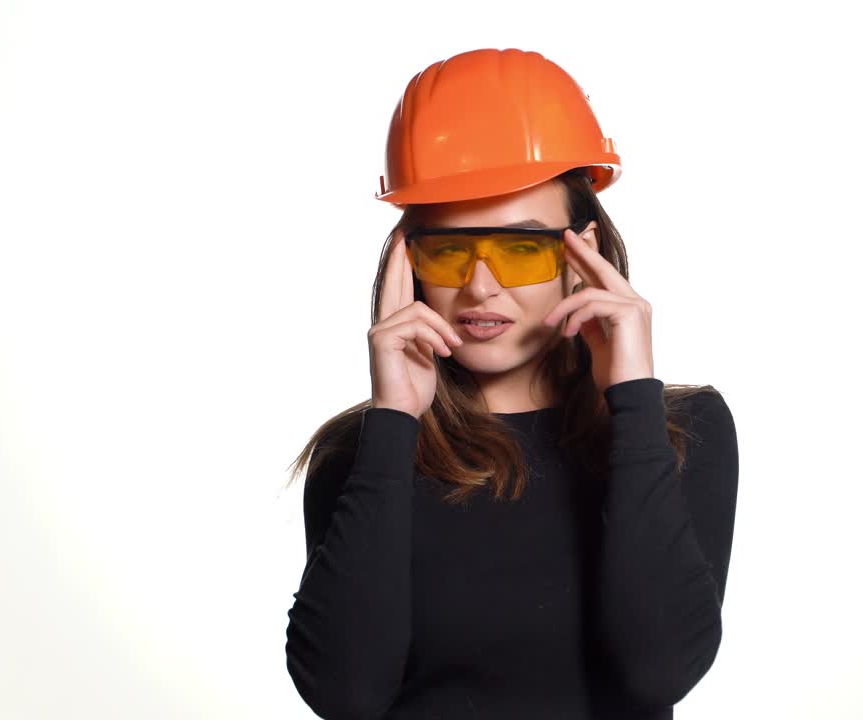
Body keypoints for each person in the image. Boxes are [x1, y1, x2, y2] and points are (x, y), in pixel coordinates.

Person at [283, 48, 739, 719]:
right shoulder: (362, 452)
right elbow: (346, 695)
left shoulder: (678, 431)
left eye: (521, 248)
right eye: (448, 249)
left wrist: (632, 399)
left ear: (580, 254)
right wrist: (393, 426)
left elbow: (658, 669)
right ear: (409, 266)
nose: (480, 286)